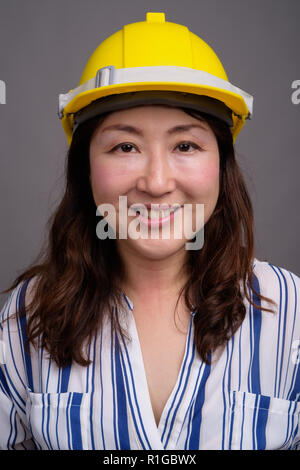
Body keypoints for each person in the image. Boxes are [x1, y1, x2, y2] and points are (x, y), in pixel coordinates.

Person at [0, 12, 299, 451]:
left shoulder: (292, 315)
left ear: (222, 164)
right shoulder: (25, 319)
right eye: (125, 146)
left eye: (185, 145)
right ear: (86, 168)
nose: (156, 183)